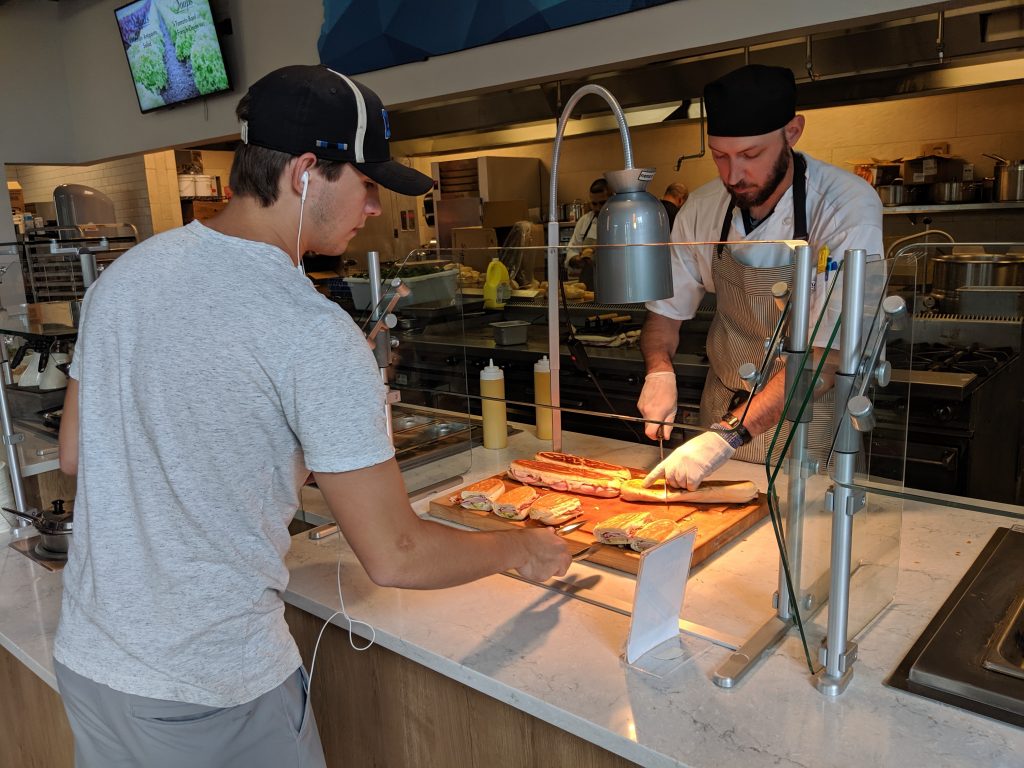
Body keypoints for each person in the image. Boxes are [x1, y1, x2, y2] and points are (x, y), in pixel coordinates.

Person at [54, 64, 571, 768]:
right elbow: (396, 555)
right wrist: (520, 549)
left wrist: (300, 434)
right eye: (367, 182)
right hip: (211, 689)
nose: (376, 207)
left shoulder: (125, 277)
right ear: (305, 173)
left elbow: (77, 453)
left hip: (93, 665)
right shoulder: (309, 329)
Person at [639, 64, 883, 491]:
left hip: (806, 423)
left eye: (750, 156)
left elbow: (826, 358)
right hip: (720, 413)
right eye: (720, 156)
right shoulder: (703, 208)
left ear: (792, 132)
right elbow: (665, 316)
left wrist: (728, 436)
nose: (733, 176)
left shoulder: (845, 205)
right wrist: (658, 370)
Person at [563, 177, 611, 289]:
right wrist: (577, 260)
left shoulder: (621, 221)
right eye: (594, 204)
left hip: (614, 282)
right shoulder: (584, 221)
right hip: (588, 285)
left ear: (612, 199)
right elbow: (572, 250)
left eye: (602, 203)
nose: (598, 208)